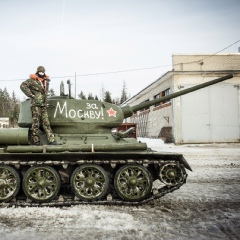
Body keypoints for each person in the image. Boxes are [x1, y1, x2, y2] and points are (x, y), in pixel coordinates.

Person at [20, 66, 58, 145]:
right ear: (37, 72)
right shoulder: (32, 80)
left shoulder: (45, 81)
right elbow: (22, 86)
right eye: (40, 72)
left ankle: (51, 140)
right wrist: (31, 95)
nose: (42, 74)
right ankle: (36, 140)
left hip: (43, 105)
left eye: (43, 72)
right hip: (36, 105)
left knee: (46, 122)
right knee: (36, 123)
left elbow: (44, 93)